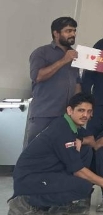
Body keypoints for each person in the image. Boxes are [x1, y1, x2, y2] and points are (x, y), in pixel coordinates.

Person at [9, 93, 103, 215]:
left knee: (85, 150)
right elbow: (78, 170)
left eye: (89, 111)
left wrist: (81, 140)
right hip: (30, 179)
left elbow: (92, 141)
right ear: (70, 110)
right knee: (83, 187)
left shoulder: (69, 124)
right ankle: (25, 201)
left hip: (44, 174)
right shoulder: (62, 130)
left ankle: (55, 204)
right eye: (81, 110)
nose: (85, 115)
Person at [25, 17, 80, 147]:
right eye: (68, 31)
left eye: (74, 31)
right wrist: (64, 60)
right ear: (56, 33)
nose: (72, 34)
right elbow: (37, 76)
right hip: (44, 113)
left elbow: (77, 82)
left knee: (62, 151)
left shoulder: (75, 55)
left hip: (67, 116)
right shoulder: (41, 52)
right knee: (35, 150)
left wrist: (78, 107)